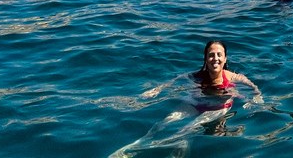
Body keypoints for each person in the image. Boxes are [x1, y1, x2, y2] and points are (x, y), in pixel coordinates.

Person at [111, 41, 262, 157]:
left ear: (225, 58)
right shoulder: (198, 75)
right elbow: (179, 77)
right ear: (206, 59)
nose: (215, 58)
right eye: (211, 55)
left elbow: (253, 87)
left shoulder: (233, 77)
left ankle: (163, 149)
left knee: (185, 130)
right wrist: (157, 89)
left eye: (219, 55)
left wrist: (256, 97)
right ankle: (131, 148)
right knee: (161, 124)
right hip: (195, 103)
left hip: (218, 107)